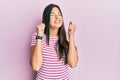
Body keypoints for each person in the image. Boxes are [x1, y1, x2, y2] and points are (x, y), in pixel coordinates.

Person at [30, 3, 78, 80]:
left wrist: (71, 36)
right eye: (52, 14)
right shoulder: (37, 35)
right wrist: (39, 36)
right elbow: (36, 66)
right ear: (46, 18)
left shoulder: (67, 36)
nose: (57, 17)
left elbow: (73, 64)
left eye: (59, 14)